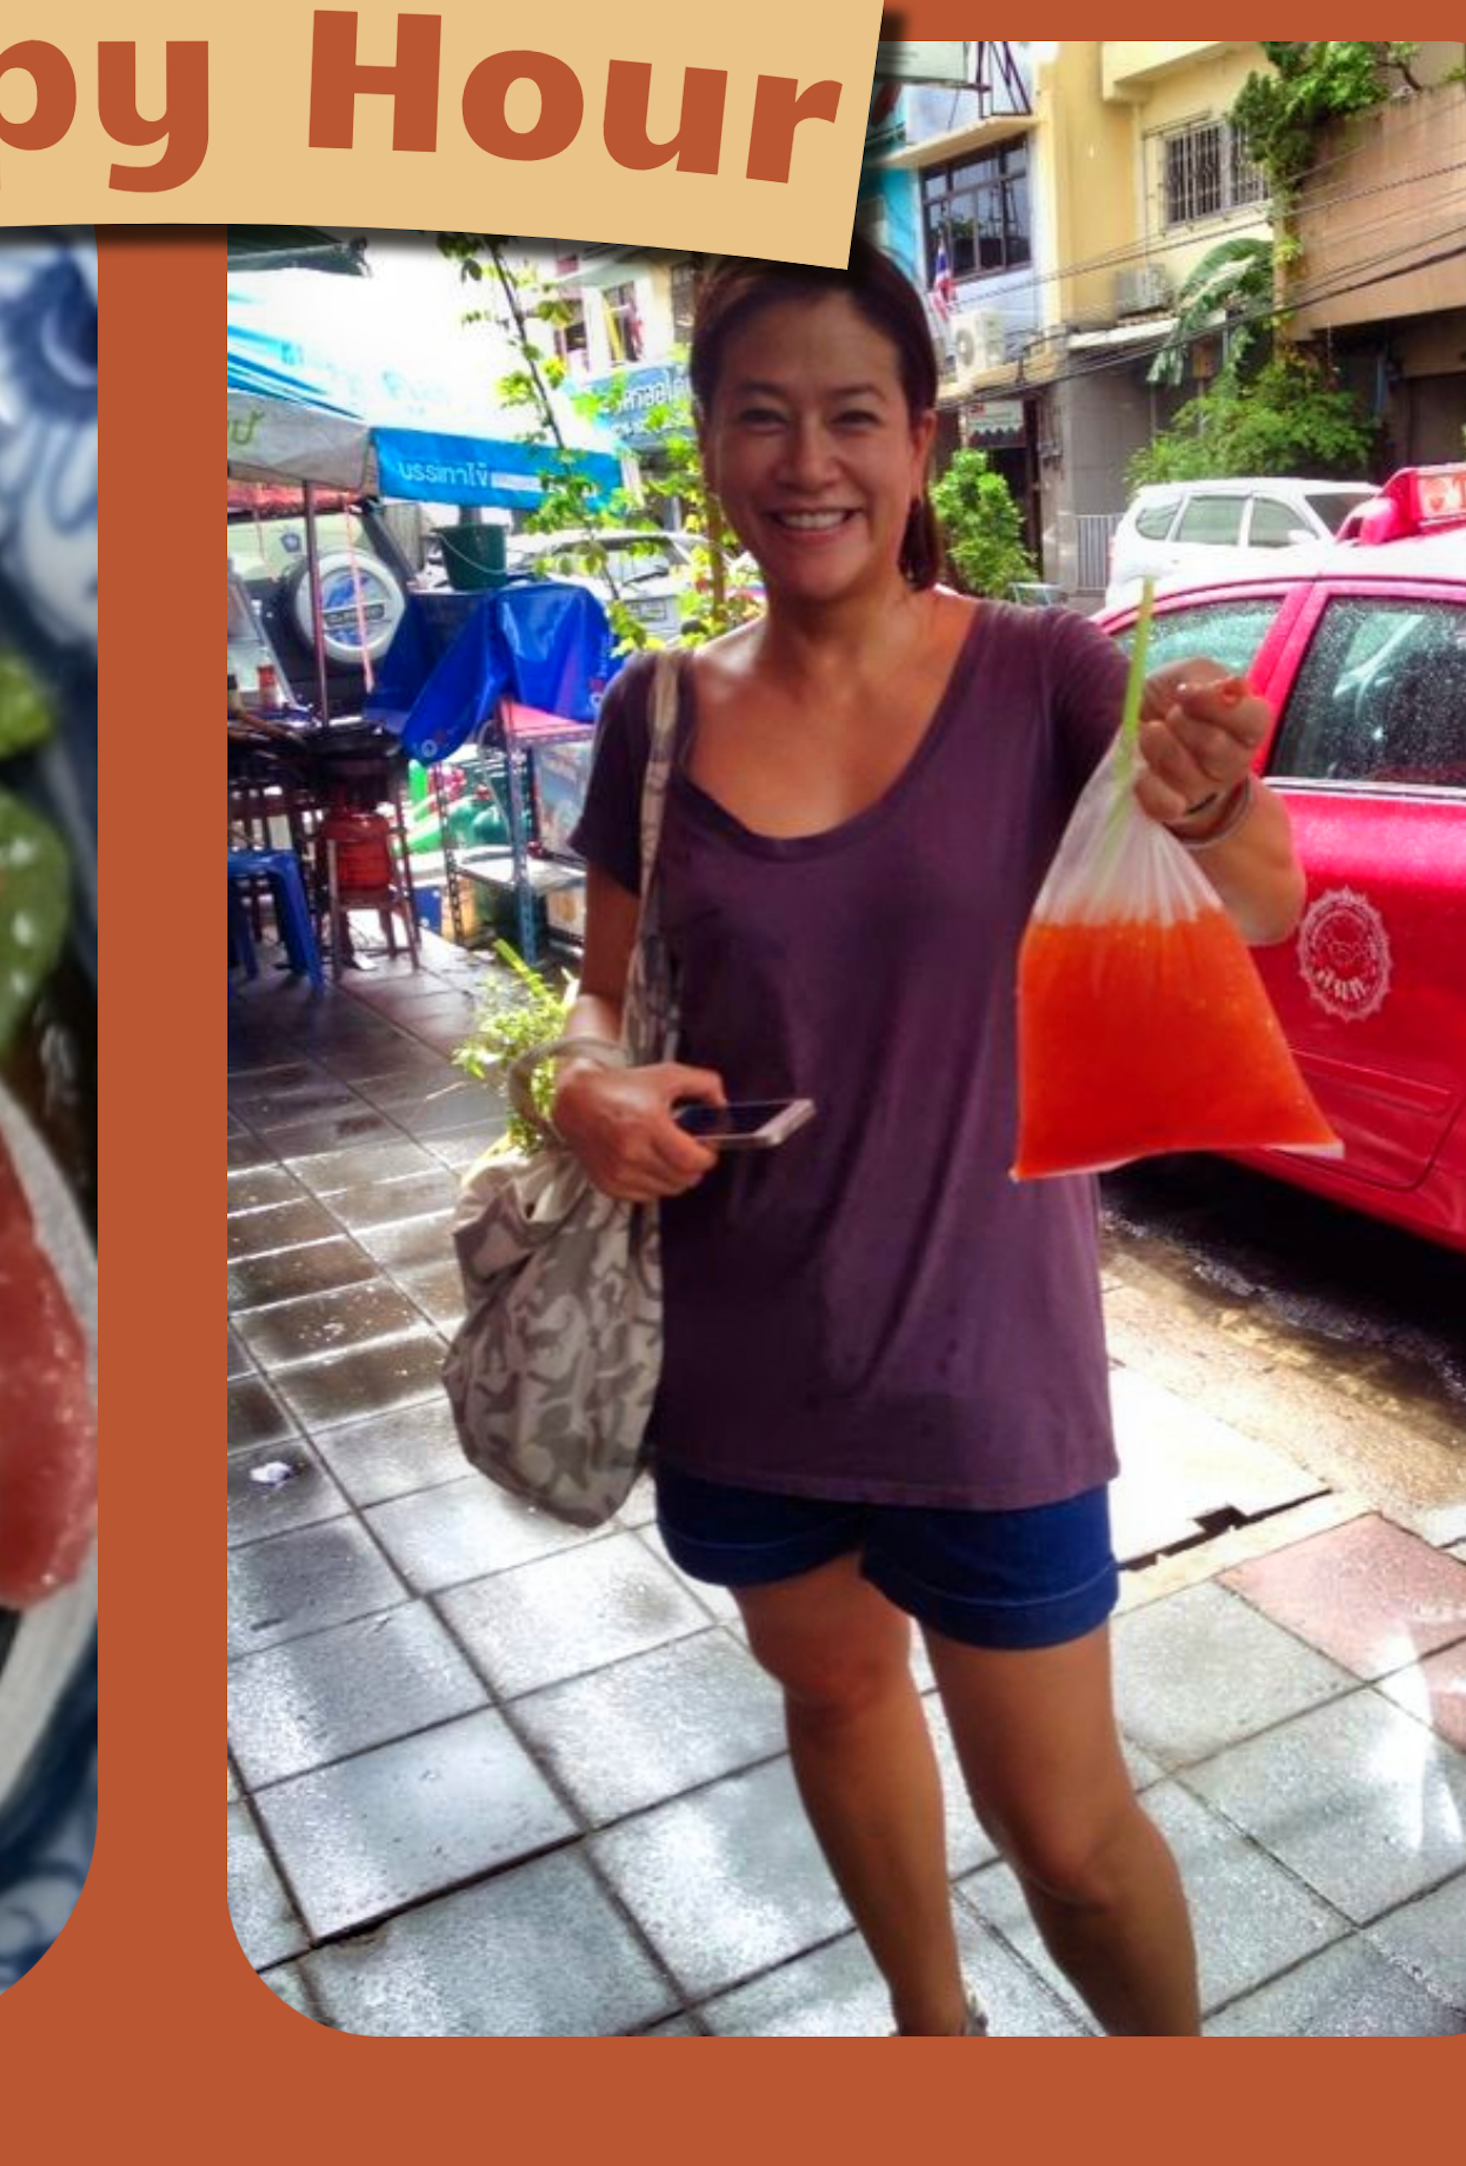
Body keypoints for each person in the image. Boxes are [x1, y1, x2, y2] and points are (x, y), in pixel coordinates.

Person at [549, 246, 1301, 2039]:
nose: (806, 461)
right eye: (761, 417)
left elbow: (1261, 904)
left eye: (850, 418)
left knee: (1069, 1830)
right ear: (711, 447)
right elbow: (594, 1005)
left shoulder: (1040, 673)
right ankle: (933, 2036)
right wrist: (583, 1089)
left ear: (923, 441)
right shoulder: (655, 713)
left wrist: (1215, 799)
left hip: (986, 1369)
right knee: (834, 1702)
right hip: (742, 1357)